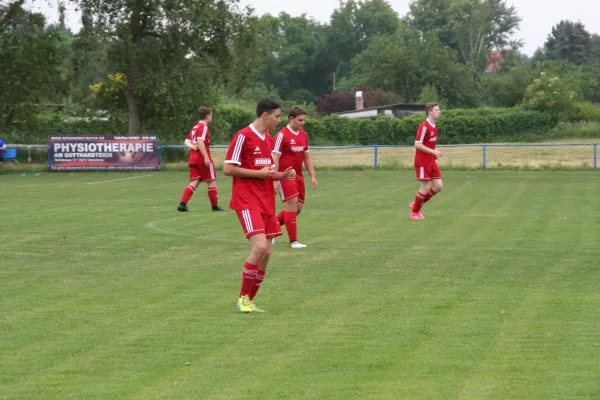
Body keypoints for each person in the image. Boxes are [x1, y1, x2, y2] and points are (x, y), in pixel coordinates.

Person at [223, 99, 296, 313]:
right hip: (247, 200)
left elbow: (267, 172)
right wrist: (259, 174)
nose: (279, 120)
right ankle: (242, 300)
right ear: (265, 115)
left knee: (267, 254)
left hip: (266, 202)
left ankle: (250, 300)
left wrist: (282, 175)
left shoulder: (268, 139)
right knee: (260, 247)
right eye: (277, 116)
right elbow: (227, 169)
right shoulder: (243, 136)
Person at [271, 105, 318, 248]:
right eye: (300, 120)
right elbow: (275, 158)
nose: (303, 123)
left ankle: (271, 230)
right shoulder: (281, 135)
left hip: (299, 176)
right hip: (285, 175)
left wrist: (312, 177)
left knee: (297, 208)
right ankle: (293, 241)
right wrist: (275, 179)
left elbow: (307, 157)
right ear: (291, 119)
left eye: (304, 120)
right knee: (291, 205)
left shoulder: (303, 135)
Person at [177, 107, 224, 212]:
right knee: (211, 180)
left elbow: (186, 140)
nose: (211, 117)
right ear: (207, 116)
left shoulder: (195, 127)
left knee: (195, 181)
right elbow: (200, 141)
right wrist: (206, 157)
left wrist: (193, 147)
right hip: (202, 158)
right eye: (211, 115)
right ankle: (215, 206)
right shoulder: (203, 127)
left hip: (193, 158)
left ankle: (182, 204)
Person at [409, 102, 444, 220]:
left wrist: (434, 154)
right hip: (422, 161)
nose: (439, 112)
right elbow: (417, 144)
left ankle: (417, 203)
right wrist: (433, 152)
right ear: (430, 112)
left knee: (438, 186)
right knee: (425, 186)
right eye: (437, 110)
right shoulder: (424, 126)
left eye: (439, 110)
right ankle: (414, 212)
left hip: (430, 160)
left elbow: (429, 145)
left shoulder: (434, 128)